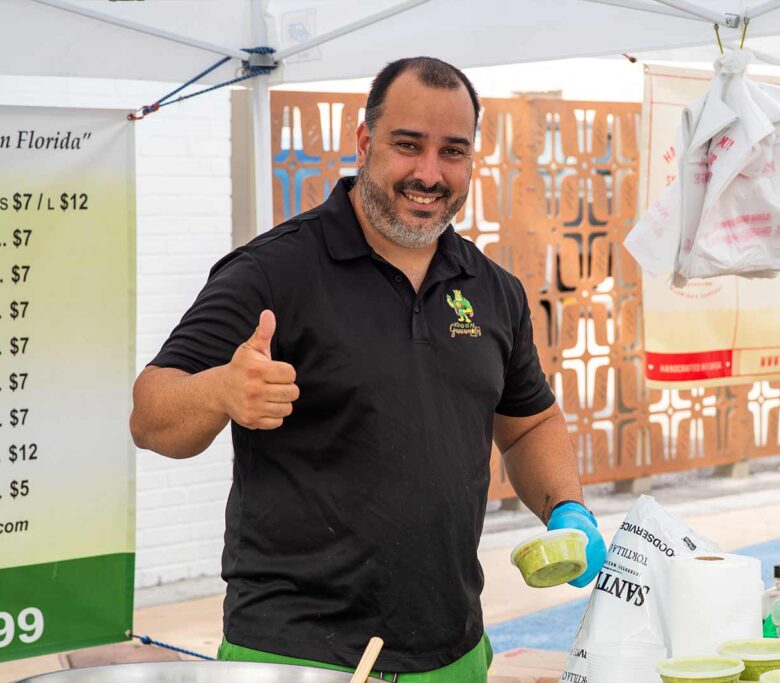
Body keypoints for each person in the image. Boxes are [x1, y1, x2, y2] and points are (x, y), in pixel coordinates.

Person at [130, 56, 607, 681]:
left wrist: (568, 508)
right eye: (408, 145)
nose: (429, 174)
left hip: (454, 654)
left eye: (453, 151)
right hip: (294, 658)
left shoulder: (493, 289)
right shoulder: (274, 271)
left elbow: (527, 423)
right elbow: (151, 414)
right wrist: (221, 390)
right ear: (364, 141)